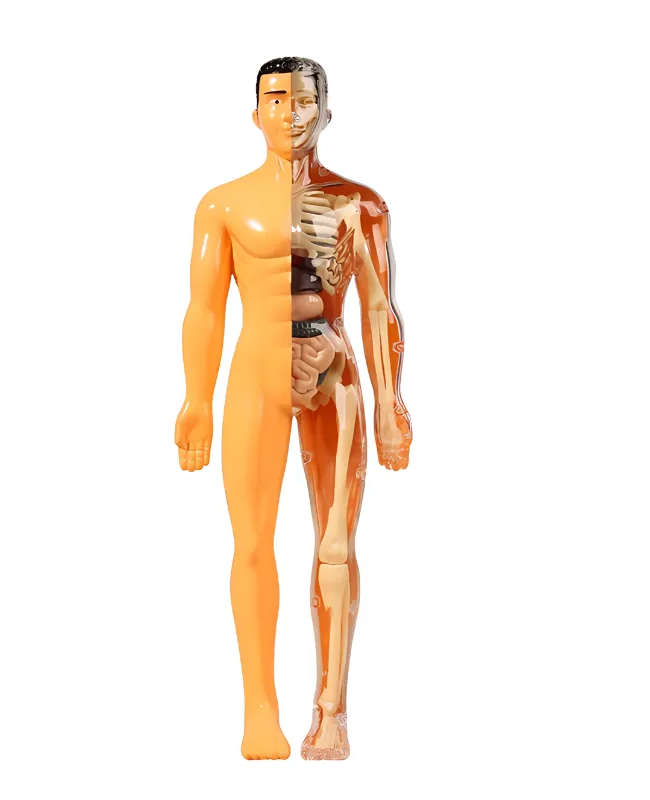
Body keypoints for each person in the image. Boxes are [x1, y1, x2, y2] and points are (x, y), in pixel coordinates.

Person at [175, 56, 412, 760]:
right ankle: (261, 709)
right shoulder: (222, 205)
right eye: (275, 99)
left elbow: (378, 306)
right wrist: (195, 399)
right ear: (255, 114)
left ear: (326, 112)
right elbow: (204, 309)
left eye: (304, 100)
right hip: (256, 372)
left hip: (333, 370)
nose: (290, 112)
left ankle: (331, 713)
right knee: (252, 543)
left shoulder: (360, 204)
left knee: (336, 545)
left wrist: (392, 401)